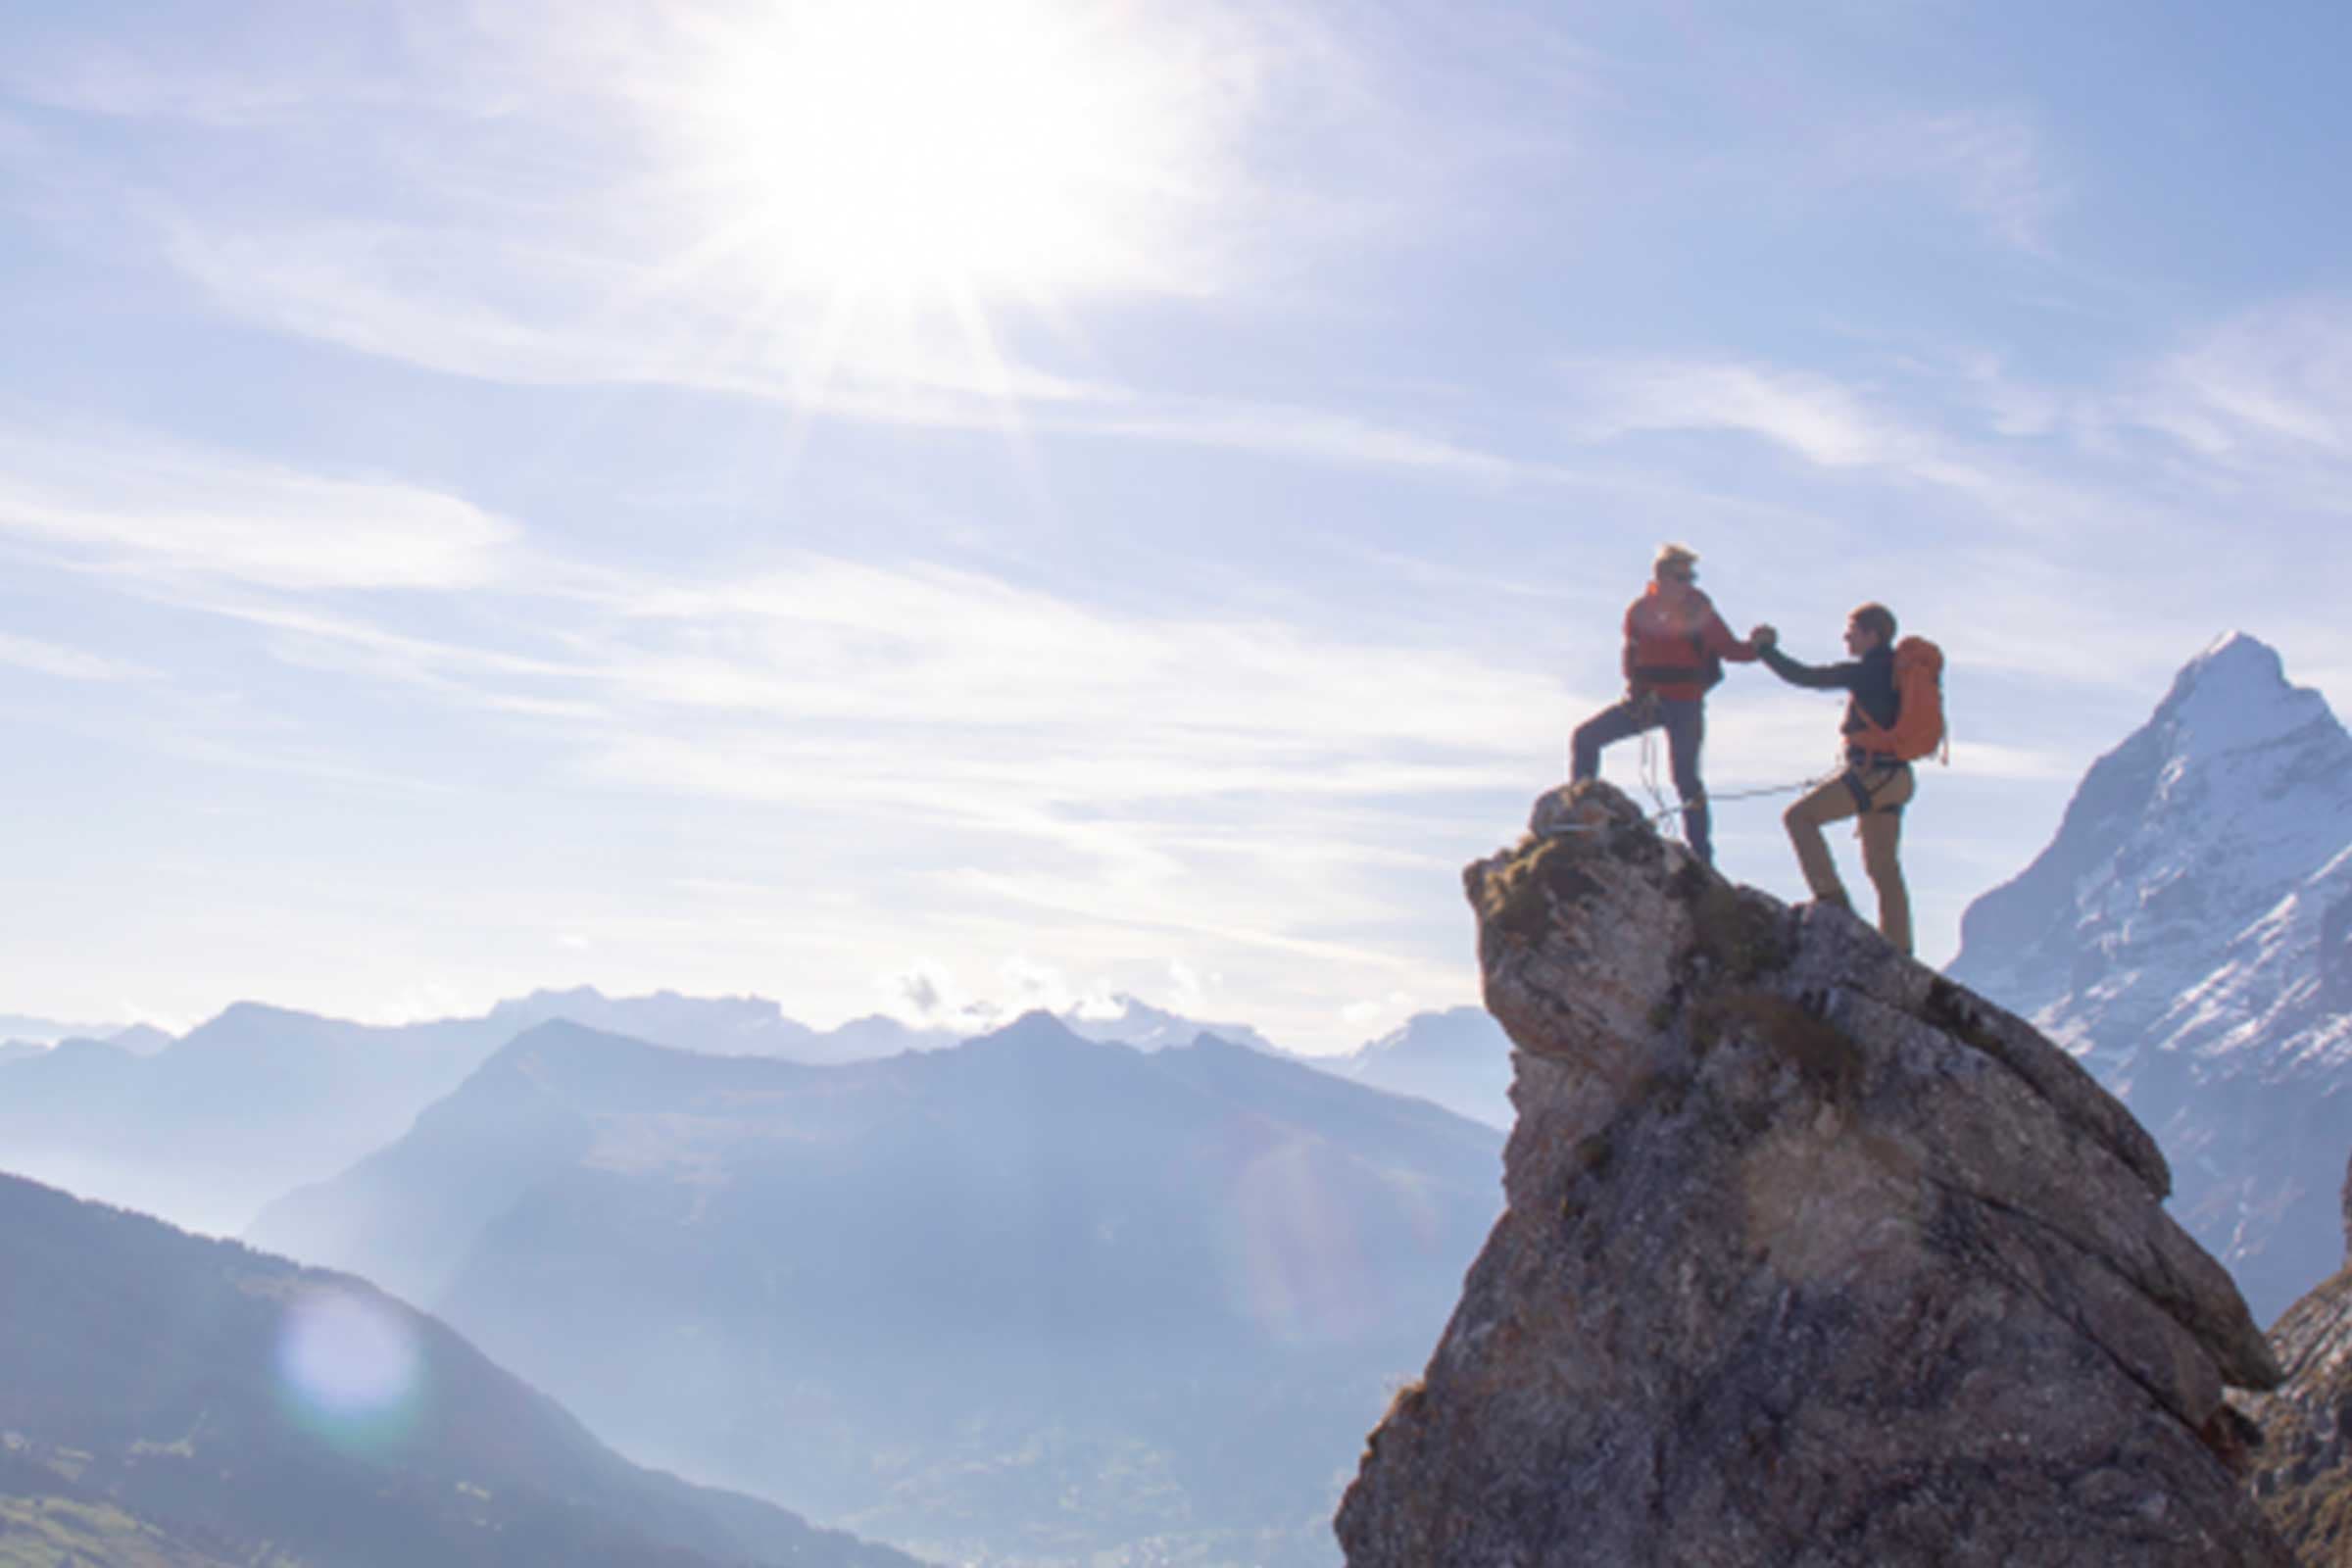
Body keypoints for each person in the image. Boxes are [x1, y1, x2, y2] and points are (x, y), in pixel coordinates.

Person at [1570, 544, 1761, 866]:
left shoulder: (1699, 609)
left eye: (1691, 577)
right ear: (1661, 577)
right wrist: (1636, 692)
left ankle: (1702, 858)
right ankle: (1580, 817)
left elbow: (1730, 649)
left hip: (1686, 704)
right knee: (1585, 738)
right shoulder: (1639, 611)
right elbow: (1631, 657)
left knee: (1686, 779)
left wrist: (1761, 647)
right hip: (1648, 702)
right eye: (1681, 577)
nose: (1688, 584)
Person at [1750, 603, 1916, 954]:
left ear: (1872, 635)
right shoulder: (1900, 671)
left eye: (1853, 632)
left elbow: (1806, 677)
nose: (1846, 638)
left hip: (1872, 775)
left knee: (1799, 818)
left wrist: (1765, 650)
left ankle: (1833, 902)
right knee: (1884, 869)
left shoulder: (1868, 671)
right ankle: (1901, 951)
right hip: (1898, 779)